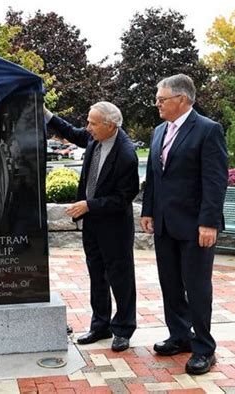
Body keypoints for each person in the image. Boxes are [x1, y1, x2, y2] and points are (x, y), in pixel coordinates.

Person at [140, 74, 228, 375]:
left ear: (182, 99)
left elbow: (215, 181)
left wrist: (209, 223)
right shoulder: (158, 131)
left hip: (195, 227)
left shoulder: (208, 130)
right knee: (171, 285)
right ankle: (180, 336)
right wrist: (148, 210)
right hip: (165, 225)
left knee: (198, 288)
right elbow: (154, 176)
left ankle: (204, 347)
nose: (156, 104)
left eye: (161, 99)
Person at [45, 102, 139, 352]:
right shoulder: (95, 138)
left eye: (92, 123)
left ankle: (123, 329)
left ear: (110, 125)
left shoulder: (126, 153)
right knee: (97, 276)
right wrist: (47, 114)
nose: (88, 128)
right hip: (93, 226)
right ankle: (100, 326)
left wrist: (89, 205)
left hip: (115, 227)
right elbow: (73, 133)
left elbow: (123, 198)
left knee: (121, 278)